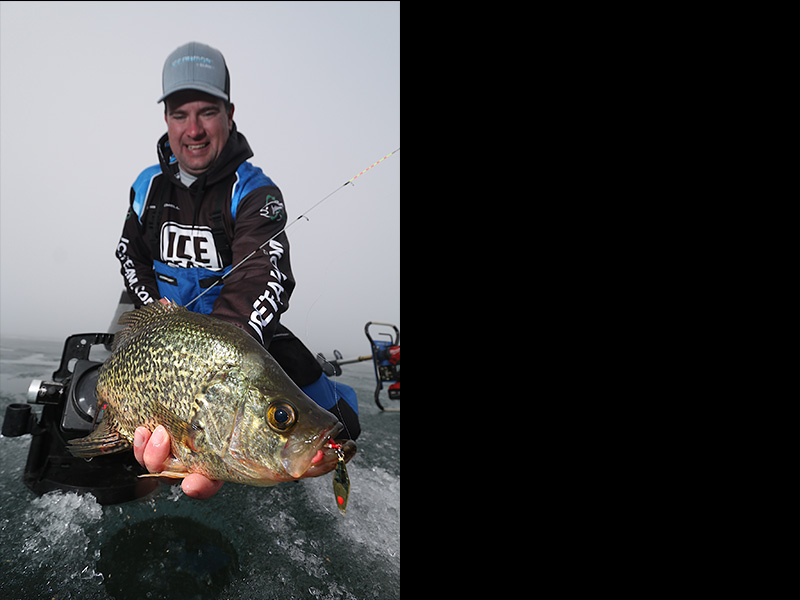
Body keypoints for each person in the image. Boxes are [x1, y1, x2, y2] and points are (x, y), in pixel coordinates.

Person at [116, 41, 358, 499]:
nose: (194, 129)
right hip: (159, 329)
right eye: (179, 114)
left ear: (229, 113)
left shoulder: (253, 191)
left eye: (207, 112)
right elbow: (130, 254)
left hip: (237, 342)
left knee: (345, 429)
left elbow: (263, 271)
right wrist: (155, 316)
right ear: (166, 118)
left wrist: (218, 370)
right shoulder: (145, 186)